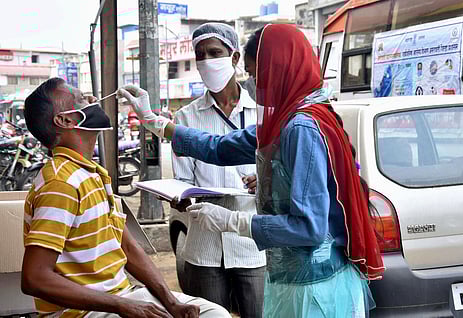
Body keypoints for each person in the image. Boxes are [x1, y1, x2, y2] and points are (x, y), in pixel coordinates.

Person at [117, 24, 385, 317]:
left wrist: (232, 221)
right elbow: (218, 147)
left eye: (258, 75)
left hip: (315, 289)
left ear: (281, 70)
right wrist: (153, 121)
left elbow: (309, 227)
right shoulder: (284, 122)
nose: (256, 84)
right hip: (294, 280)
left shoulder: (301, 127)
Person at [21, 78, 231, 318]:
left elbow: (128, 248)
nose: (92, 100)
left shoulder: (91, 173)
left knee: (215, 314)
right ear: (65, 120)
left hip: (120, 296)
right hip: (81, 312)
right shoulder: (61, 184)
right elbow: (34, 278)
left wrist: (171, 302)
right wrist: (121, 306)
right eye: (81, 99)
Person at [173, 22, 266, 317]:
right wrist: (181, 197)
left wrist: (263, 181)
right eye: (200, 55)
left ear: (235, 58)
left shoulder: (262, 113)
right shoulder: (184, 118)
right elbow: (182, 181)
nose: (206, 61)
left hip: (251, 244)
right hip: (204, 245)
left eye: (214, 52)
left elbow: (279, 169)